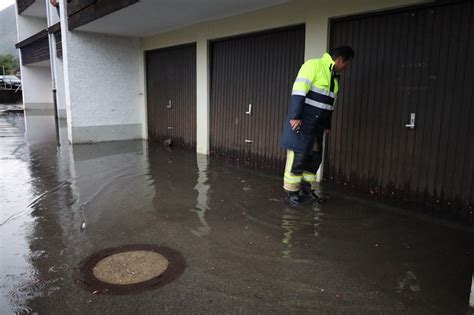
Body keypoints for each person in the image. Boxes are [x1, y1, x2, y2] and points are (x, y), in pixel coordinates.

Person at [280, 45, 354, 205]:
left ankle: (307, 191)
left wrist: (327, 124)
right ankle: (292, 194)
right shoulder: (313, 66)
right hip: (302, 122)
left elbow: (329, 105)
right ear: (340, 59)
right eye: (346, 64)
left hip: (316, 127)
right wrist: (295, 115)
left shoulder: (334, 79)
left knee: (314, 158)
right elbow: (299, 90)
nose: (346, 68)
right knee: (298, 158)